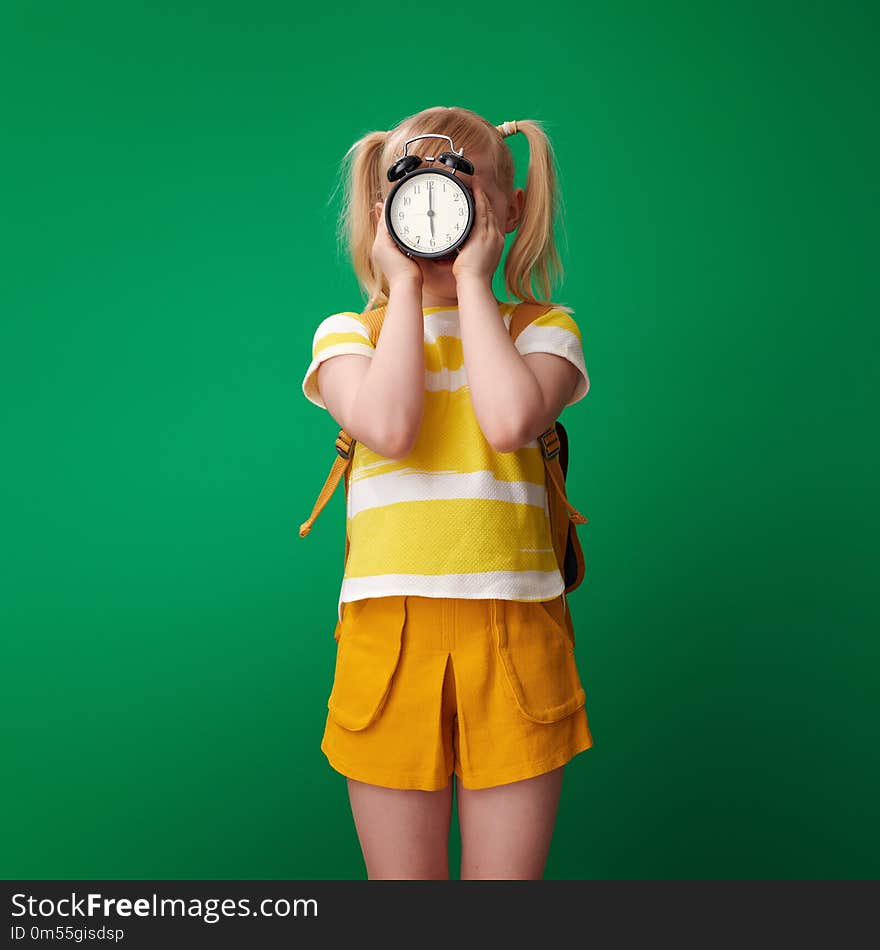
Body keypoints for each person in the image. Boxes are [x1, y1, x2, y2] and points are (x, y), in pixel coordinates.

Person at [300, 106, 594, 880]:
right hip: (388, 635)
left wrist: (471, 281)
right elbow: (391, 427)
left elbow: (507, 419)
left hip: (515, 629)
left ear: (511, 210)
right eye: (416, 193)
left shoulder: (542, 331)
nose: (439, 212)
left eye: (462, 194)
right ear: (382, 213)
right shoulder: (348, 337)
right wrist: (402, 289)